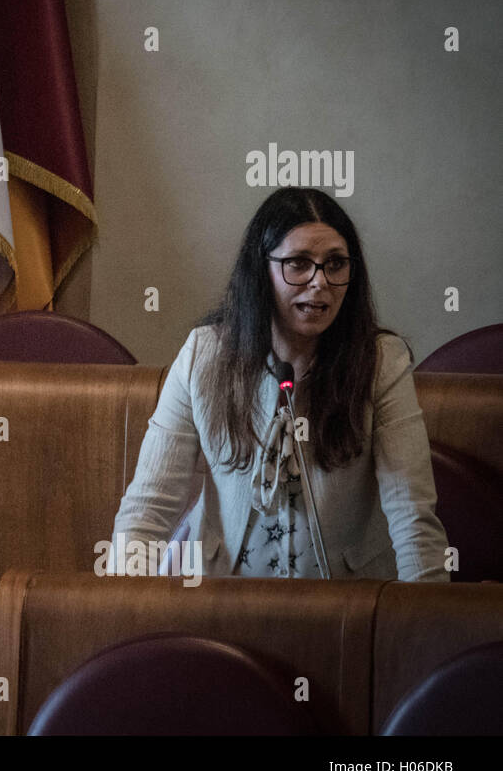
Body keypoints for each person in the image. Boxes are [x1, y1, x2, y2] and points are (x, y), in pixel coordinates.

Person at [109, 187, 448, 582]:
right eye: (299, 264)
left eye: (335, 264)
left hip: (346, 606)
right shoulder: (204, 356)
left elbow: (413, 516)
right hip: (223, 599)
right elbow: (148, 509)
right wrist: (121, 611)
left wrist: (422, 627)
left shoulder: (380, 361)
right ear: (261, 271)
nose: (320, 282)